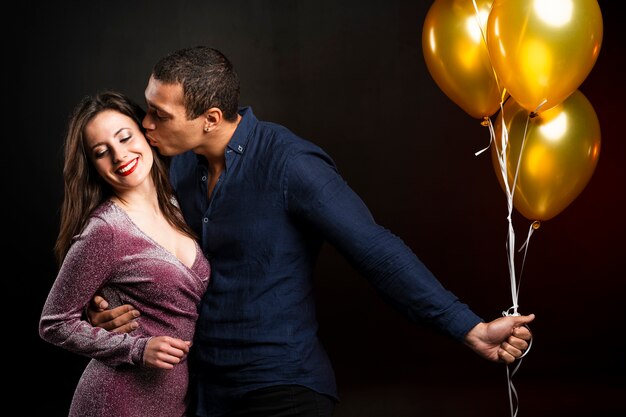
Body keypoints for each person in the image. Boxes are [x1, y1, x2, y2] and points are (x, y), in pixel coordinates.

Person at [88, 47, 534, 417]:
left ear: (210, 117)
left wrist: (468, 327)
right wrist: (106, 311)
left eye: (159, 115)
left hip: (282, 390)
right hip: (202, 392)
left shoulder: (292, 165)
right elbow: (148, 261)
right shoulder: (177, 165)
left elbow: (377, 251)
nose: (145, 124)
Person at [39, 91, 211, 417]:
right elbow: (53, 323)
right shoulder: (106, 230)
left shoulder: (178, 204)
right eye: (102, 152)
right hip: (116, 401)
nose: (119, 156)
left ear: (145, 134)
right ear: (93, 166)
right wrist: (136, 348)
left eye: (124, 137)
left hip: (176, 401)